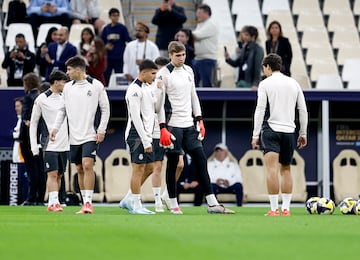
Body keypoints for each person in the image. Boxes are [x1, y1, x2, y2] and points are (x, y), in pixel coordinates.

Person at [156, 41, 235, 214]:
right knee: (173, 163)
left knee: (201, 160)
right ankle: (173, 202)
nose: (181, 58)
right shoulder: (163, 74)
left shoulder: (189, 70)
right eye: (178, 55)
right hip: (173, 125)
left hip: (189, 125)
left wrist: (199, 119)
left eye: (183, 54)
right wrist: (162, 127)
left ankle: (212, 203)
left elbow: (194, 96)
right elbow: (159, 104)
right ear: (170, 55)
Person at [50, 56, 110, 214]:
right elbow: (62, 110)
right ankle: (85, 203)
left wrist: (101, 129)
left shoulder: (96, 85)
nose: (67, 73)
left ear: (78, 69)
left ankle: (89, 203)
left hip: (90, 134)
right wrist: (55, 128)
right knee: (79, 168)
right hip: (73, 136)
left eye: (69, 70)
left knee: (87, 164)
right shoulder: (68, 87)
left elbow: (105, 109)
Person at [251, 53, 308, 216]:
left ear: (267, 67)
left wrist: (255, 135)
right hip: (289, 131)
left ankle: (274, 209)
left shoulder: (265, 84)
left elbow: (260, 110)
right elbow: (303, 110)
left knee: (271, 170)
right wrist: (303, 132)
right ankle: (286, 209)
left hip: (271, 129)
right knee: (286, 169)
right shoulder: (294, 83)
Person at [29, 70, 69, 212]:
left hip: (65, 143)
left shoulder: (67, 97)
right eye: (64, 81)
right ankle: (52, 203)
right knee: (52, 173)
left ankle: (55, 200)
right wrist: (34, 146)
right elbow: (33, 124)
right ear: (56, 82)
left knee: (59, 175)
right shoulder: (41, 99)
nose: (66, 84)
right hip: (49, 142)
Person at [123, 59, 158, 215]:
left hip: (147, 134)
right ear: (143, 72)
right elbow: (136, 117)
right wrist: (145, 140)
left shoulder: (147, 88)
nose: (155, 76)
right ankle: (136, 204)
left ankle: (128, 198)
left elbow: (154, 109)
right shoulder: (134, 90)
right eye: (153, 73)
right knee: (138, 169)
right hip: (136, 134)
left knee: (150, 168)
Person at [19, 72, 46, 206]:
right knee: (40, 169)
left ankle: (31, 197)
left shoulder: (28, 98)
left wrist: (22, 139)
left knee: (32, 170)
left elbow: (25, 120)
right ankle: (40, 197)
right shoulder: (41, 97)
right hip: (40, 138)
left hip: (29, 139)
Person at [225, 25, 264, 90]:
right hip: (240, 81)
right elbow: (236, 63)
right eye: (244, 34)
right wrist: (228, 58)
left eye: (247, 35)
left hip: (250, 84)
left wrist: (255, 84)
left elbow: (257, 68)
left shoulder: (258, 49)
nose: (244, 37)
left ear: (253, 37)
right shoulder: (244, 48)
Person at [101, 8, 132, 86]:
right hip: (109, 57)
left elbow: (128, 39)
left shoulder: (122, 28)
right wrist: (106, 46)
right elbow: (101, 43)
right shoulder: (106, 29)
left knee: (120, 75)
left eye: (117, 15)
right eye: (114, 15)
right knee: (106, 76)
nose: (116, 17)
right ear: (109, 17)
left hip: (119, 56)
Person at [192, 4, 218, 87]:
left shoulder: (211, 24)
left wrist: (186, 34)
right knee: (194, 84)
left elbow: (198, 35)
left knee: (207, 84)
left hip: (207, 59)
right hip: (198, 58)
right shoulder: (200, 24)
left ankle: (208, 100)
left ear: (206, 13)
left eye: (199, 13)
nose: (197, 15)